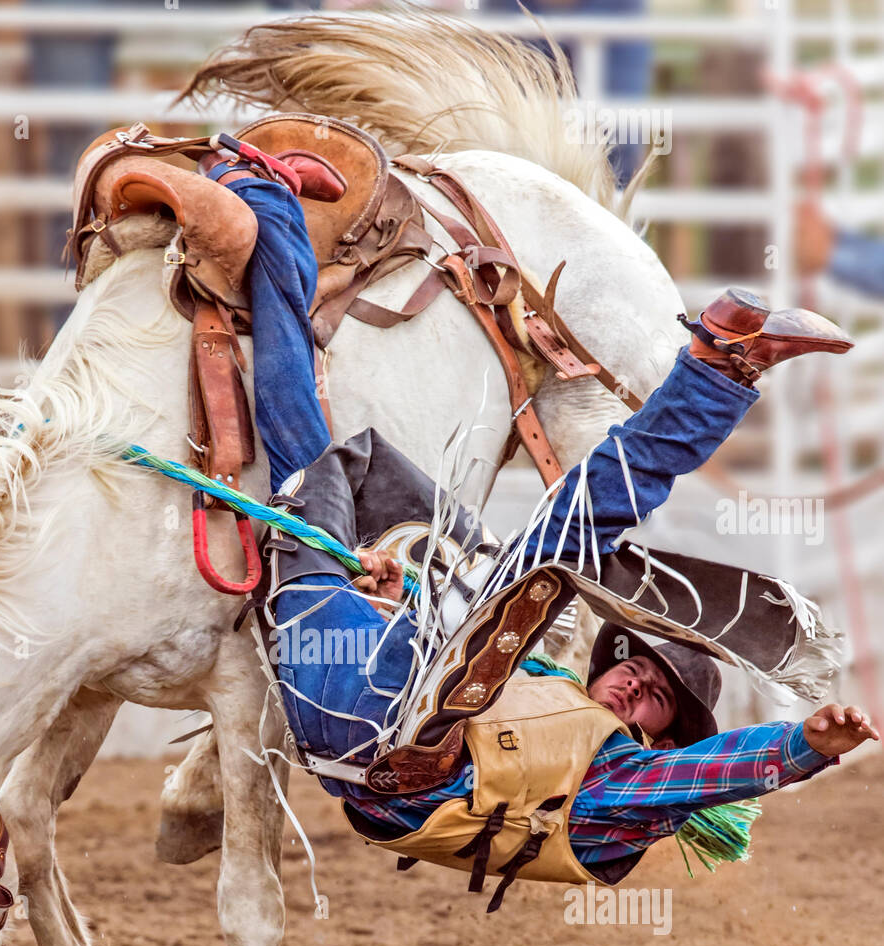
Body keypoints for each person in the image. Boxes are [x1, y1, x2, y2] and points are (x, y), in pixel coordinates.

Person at [199, 148, 878, 902]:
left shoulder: (625, 784)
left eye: (652, 694)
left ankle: (719, 370)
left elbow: (704, 773)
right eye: (637, 670)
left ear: (660, 732)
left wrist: (802, 749)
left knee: (565, 543)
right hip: (367, 692)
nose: (630, 686)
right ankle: (268, 207)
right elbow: (446, 642)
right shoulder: (551, 687)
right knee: (317, 460)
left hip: (390, 743)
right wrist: (390, 594)